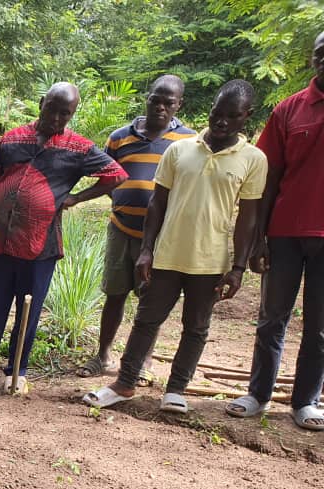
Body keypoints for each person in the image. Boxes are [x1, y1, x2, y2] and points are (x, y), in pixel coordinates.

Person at [84, 80, 268, 414]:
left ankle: (176, 390)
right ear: (210, 109)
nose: (222, 121)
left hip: (210, 260)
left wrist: (238, 268)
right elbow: (158, 202)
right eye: (218, 112)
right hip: (167, 254)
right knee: (146, 320)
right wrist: (147, 249)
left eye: (232, 115)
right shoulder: (180, 149)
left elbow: (249, 218)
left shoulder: (253, 159)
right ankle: (124, 383)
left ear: (247, 116)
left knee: (196, 327)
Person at [0, 83, 127, 393]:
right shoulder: (10, 140)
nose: (57, 118)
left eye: (65, 113)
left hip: (41, 247)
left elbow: (116, 175)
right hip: (2, 244)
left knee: (29, 311)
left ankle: (16, 373)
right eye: (52, 109)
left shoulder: (78, 148)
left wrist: (76, 198)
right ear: (41, 103)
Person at [226, 32, 324, 431]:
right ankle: (258, 394)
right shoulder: (289, 110)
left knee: (320, 327)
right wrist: (258, 239)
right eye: (320, 53)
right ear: (312, 58)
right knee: (271, 318)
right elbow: (267, 178)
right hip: (284, 233)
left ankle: (306, 401)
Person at [76, 75, 196, 381]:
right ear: (147, 98)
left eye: (168, 103)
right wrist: (122, 199)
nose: (160, 107)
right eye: (155, 100)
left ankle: (142, 361)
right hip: (121, 228)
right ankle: (103, 356)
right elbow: (107, 178)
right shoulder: (119, 138)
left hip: (160, 236)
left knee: (150, 300)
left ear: (179, 105)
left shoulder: (189, 142)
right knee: (114, 294)